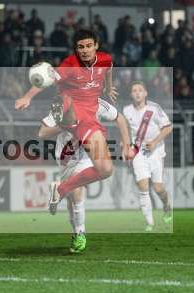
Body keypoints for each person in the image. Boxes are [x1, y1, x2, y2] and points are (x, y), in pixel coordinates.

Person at [16, 29, 133, 203]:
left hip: (89, 117)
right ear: (76, 49)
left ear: (96, 46)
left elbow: (108, 70)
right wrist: (27, 96)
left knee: (106, 170)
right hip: (68, 104)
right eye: (80, 47)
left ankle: (61, 188)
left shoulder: (105, 59)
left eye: (88, 46)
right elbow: (48, 80)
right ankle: (65, 118)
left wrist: (108, 88)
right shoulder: (70, 65)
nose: (84, 50)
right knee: (49, 124)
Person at [39, 98, 132, 253]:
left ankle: (81, 233)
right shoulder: (62, 105)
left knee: (77, 190)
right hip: (65, 158)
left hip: (87, 156)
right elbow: (42, 132)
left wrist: (127, 144)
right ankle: (76, 232)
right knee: (71, 203)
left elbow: (120, 118)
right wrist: (67, 125)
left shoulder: (96, 102)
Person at [123, 81, 173, 231]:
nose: (137, 93)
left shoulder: (154, 108)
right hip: (137, 151)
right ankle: (149, 223)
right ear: (131, 94)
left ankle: (166, 205)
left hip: (156, 151)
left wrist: (155, 141)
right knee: (143, 186)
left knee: (158, 189)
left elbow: (168, 127)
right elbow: (124, 132)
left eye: (140, 90)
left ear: (145, 93)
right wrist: (125, 147)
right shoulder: (126, 111)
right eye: (134, 90)